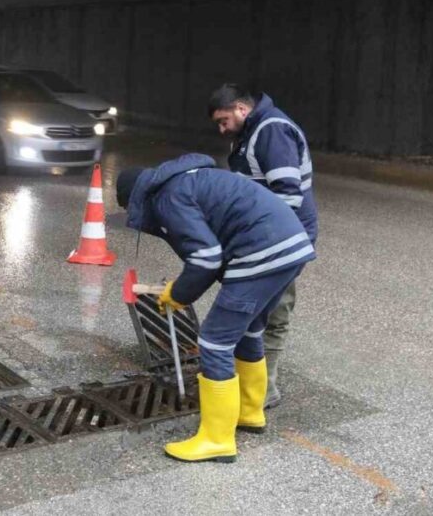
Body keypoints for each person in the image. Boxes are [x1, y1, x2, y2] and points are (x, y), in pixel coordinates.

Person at [116, 154, 314, 463]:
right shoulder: (189, 181)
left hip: (261, 252)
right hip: (290, 247)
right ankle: (250, 412)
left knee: (214, 340)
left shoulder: (169, 197)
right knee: (250, 330)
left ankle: (217, 439)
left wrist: (179, 294)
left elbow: (206, 258)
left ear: (136, 199)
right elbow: (214, 248)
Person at [208, 84, 318, 408]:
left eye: (224, 120)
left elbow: (287, 196)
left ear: (242, 109)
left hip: (283, 238)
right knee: (259, 311)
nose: (221, 128)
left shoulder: (271, 132)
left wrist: (261, 244)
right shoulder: (248, 133)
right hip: (269, 238)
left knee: (272, 311)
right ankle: (253, 385)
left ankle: (262, 392)